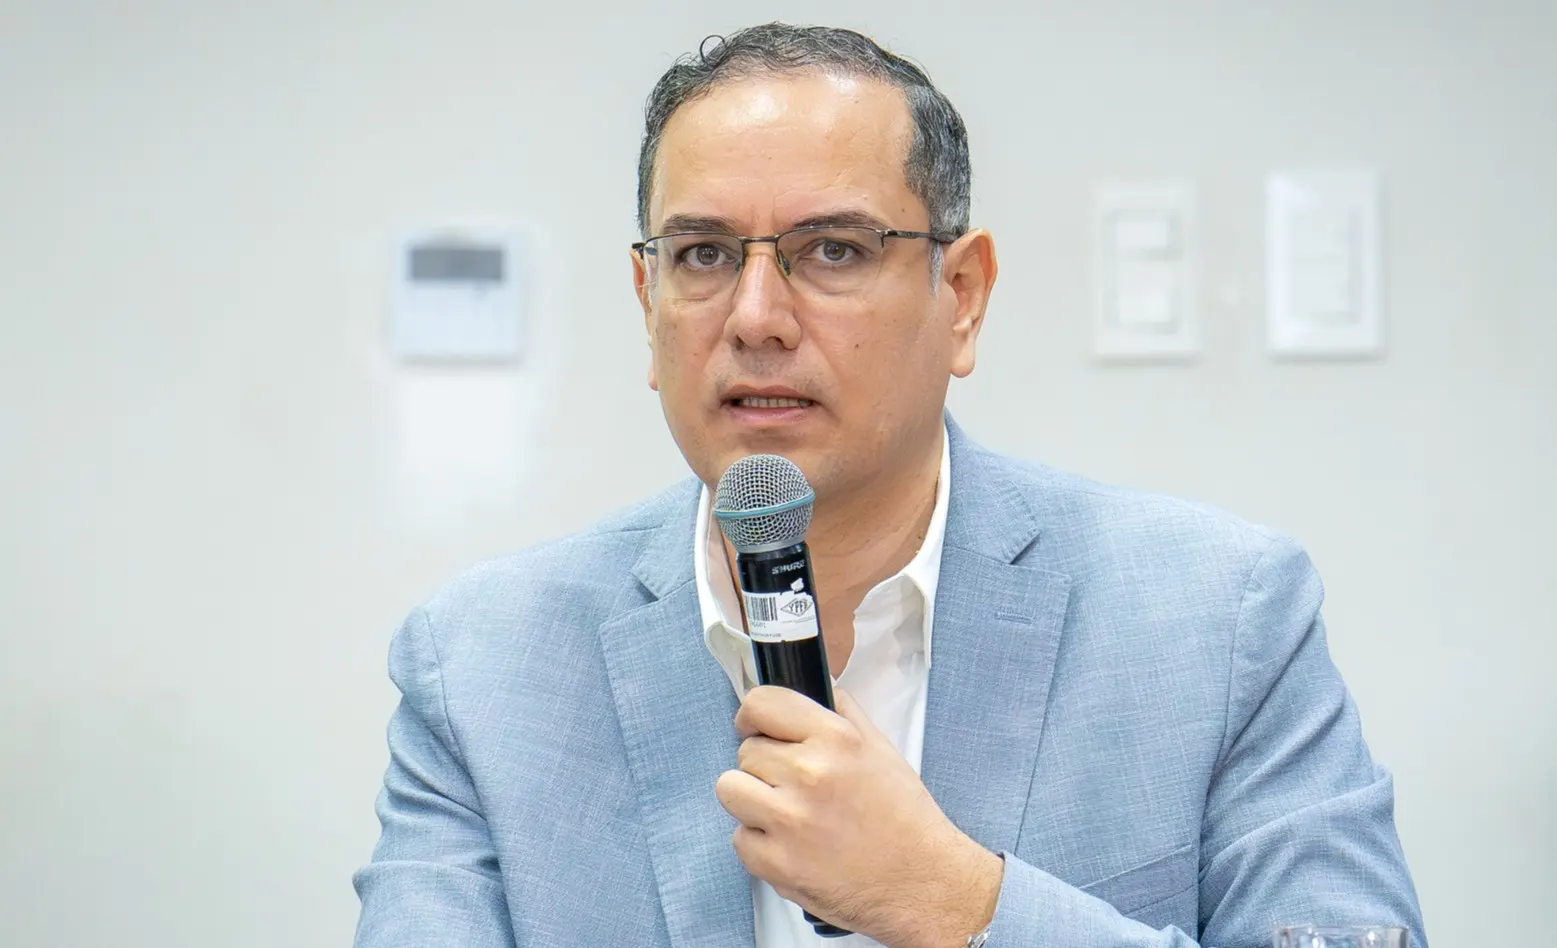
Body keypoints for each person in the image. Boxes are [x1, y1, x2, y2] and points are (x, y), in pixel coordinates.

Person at [352, 22, 1426, 948]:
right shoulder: (481, 668)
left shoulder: (1221, 619)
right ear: (647, 302)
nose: (755, 316)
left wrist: (951, 900)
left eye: (832, 250)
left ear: (962, 296)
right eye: (703, 254)